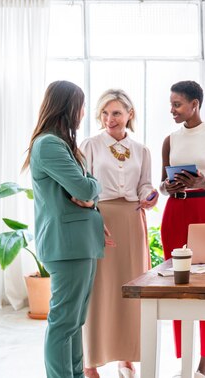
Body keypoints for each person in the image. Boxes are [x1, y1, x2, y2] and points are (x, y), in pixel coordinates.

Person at [23, 80, 113, 378]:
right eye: (82, 105)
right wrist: (93, 189)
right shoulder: (48, 144)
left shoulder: (62, 144)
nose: (85, 112)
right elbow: (85, 188)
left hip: (79, 243)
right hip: (67, 245)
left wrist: (90, 194)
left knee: (75, 322)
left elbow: (85, 192)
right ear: (68, 107)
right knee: (64, 322)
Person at [79, 89, 158, 378]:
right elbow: (82, 186)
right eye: (104, 113)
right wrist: (92, 216)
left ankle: (127, 357)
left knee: (132, 287)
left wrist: (150, 194)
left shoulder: (142, 150)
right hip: (100, 218)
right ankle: (91, 361)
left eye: (115, 113)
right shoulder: (89, 146)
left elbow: (145, 184)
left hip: (132, 220)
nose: (109, 119)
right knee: (99, 290)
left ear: (129, 114)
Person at [159, 80, 205, 378]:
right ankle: (185, 358)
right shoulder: (170, 139)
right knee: (178, 285)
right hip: (175, 211)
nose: (172, 110)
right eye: (171, 104)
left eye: (177, 104)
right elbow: (162, 185)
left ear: (195, 104)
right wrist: (167, 185)